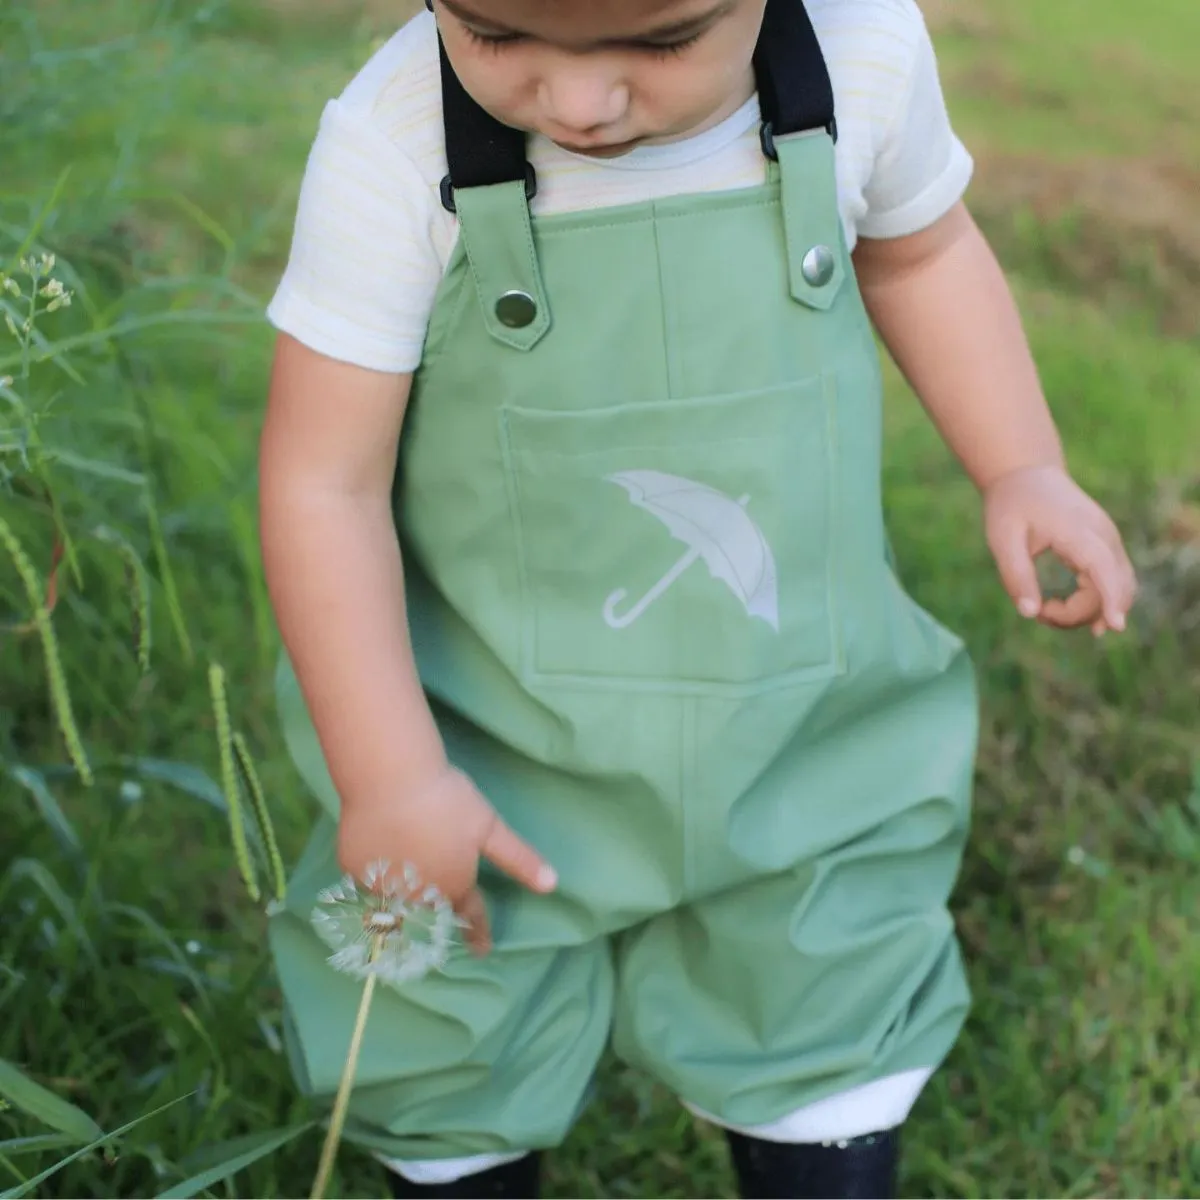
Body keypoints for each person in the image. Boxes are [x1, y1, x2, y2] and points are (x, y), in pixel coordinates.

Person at [258, 0, 1138, 1196]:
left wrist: (1021, 463)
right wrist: (392, 777)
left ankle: (819, 1141)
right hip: (491, 737)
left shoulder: (861, 59)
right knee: (449, 1013)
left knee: (822, 975)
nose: (577, 103)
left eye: (661, 44)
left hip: (793, 724)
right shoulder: (395, 137)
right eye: (497, 35)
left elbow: (923, 251)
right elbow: (324, 483)